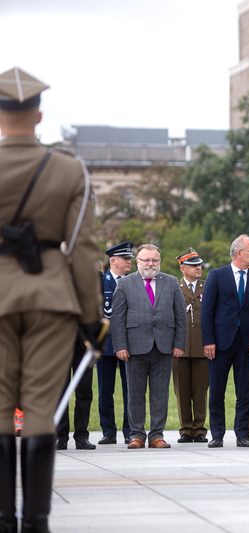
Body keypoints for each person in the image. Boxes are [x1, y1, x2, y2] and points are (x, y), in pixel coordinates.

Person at [0, 67, 102, 532]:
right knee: (41, 407)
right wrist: (90, 318)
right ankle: (36, 523)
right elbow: (82, 250)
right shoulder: (68, 170)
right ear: (38, 115)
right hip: (50, 299)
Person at [111, 244, 187, 449]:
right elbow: (117, 319)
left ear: (159, 262)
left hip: (164, 347)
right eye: (146, 260)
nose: (151, 264)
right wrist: (120, 345)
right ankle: (136, 435)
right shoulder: (125, 284)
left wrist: (179, 343)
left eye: (155, 260)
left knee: (160, 393)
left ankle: (156, 435)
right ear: (138, 262)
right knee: (135, 394)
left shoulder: (171, 282)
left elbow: (181, 317)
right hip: (134, 348)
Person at [202, 235, 249, 448]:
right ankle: (217, 434)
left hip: (246, 344)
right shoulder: (217, 275)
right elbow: (207, 311)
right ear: (239, 253)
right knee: (217, 390)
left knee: (245, 391)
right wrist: (208, 340)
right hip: (220, 344)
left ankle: (242, 434)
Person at [98, 242, 134, 445]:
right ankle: (108, 431)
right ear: (113, 261)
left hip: (130, 344)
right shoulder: (101, 283)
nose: (129, 262)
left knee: (131, 390)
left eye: (130, 259)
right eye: (125, 259)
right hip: (106, 345)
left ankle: (130, 430)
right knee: (105, 390)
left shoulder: (134, 282)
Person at [173, 248, 208, 443]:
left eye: (199, 264)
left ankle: (200, 429)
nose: (198, 268)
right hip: (180, 346)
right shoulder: (175, 287)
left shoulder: (208, 286)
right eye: (194, 265)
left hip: (203, 346)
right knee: (182, 390)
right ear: (183, 267)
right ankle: (186, 429)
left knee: (201, 390)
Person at [56, 335, 95, 450]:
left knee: (84, 390)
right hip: (60, 342)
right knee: (60, 392)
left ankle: (81, 436)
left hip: (85, 343)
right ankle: (60, 436)